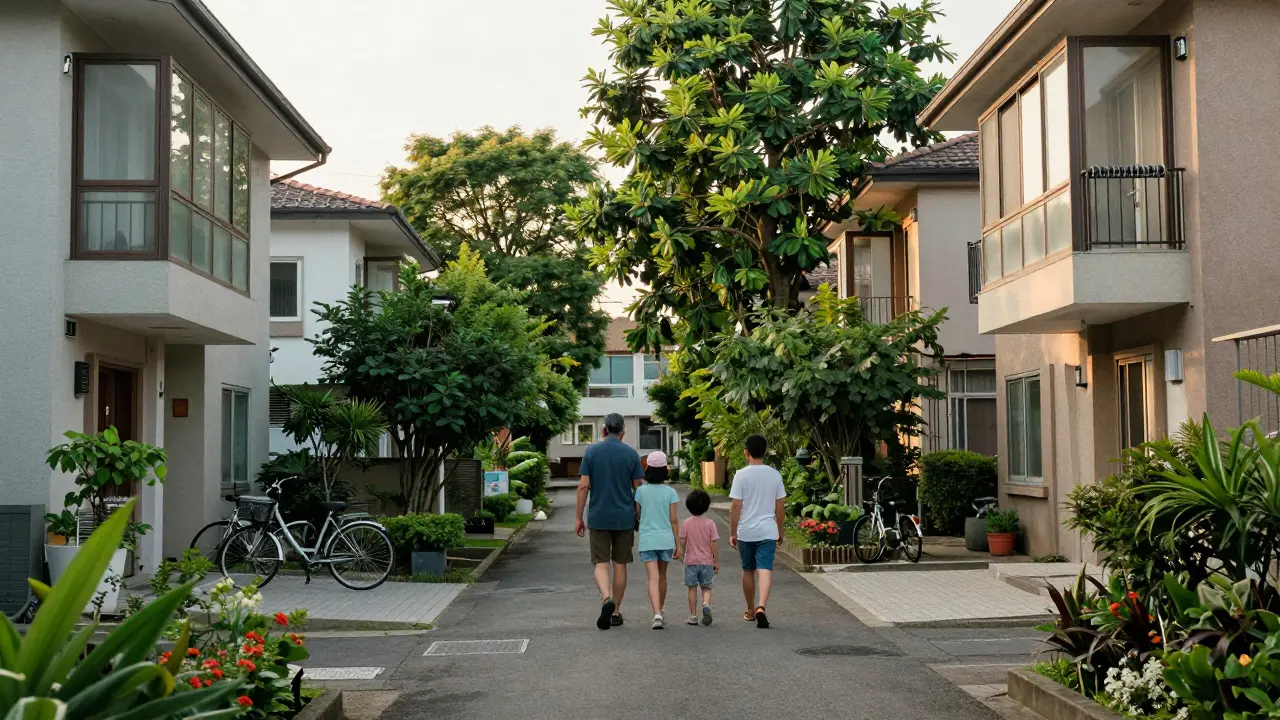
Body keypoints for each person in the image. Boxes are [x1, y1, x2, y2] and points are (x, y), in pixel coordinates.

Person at [575, 413, 644, 630]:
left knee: (601, 563)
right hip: (624, 517)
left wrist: (578, 517)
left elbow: (583, 486)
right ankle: (615, 612)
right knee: (620, 564)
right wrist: (639, 515)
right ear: (622, 432)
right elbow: (638, 488)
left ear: (604, 430)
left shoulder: (591, 451)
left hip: (598, 516)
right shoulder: (631, 454)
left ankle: (606, 599)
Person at [728, 434, 785, 629]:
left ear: (746, 452)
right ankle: (762, 606)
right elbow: (780, 506)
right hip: (768, 530)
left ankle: (751, 610)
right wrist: (780, 530)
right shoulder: (774, 475)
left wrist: (733, 532)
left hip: (747, 531)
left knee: (748, 569)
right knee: (765, 568)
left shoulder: (741, 475)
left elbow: (736, 505)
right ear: (765, 453)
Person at [633, 451, 680, 630]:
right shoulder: (671, 492)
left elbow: (638, 514)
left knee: (652, 577)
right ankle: (661, 609)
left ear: (648, 468)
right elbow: (674, 520)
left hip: (647, 540)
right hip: (666, 540)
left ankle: (657, 613)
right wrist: (679, 544)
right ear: (664, 469)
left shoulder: (640, 492)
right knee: (662, 577)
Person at [677, 488, 719, 627]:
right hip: (707, 561)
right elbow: (713, 544)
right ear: (706, 506)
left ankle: (693, 615)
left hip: (691, 561)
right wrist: (716, 561)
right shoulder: (710, 523)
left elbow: (682, 542)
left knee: (692, 588)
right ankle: (706, 604)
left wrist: (680, 552)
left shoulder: (686, 523)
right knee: (706, 587)